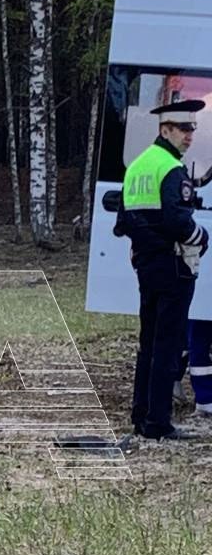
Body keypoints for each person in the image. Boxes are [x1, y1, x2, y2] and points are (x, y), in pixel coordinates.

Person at [114, 99, 209, 439]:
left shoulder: (138, 166)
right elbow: (177, 220)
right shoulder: (170, 168)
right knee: (167, 344)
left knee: (148, 343)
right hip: (173, 265)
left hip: (146, 264)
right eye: (184, 129)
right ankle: (158, 423)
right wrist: (202, 236)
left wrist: (145, 243)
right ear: (165, 129)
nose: (190, 136)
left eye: (192, 129)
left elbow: (123, 221)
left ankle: (141, 415)